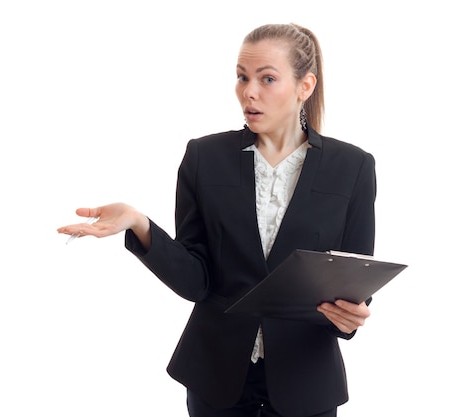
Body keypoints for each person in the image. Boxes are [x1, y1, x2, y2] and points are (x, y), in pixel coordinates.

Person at [58, 23, 376, 417]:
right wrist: (139, 224)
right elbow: (196, 280)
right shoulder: (204, 158)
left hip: (305, 383)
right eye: (242, 77)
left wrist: (352, 316)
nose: (249, 92)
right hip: (216, 379)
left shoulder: (353, 167)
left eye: (267, 78)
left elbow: (353, 277)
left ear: (304, 86)